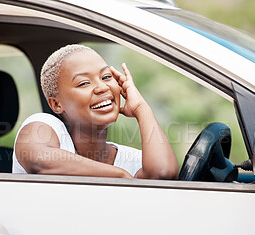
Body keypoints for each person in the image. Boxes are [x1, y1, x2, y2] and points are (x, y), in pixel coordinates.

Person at [13, 44, 179, 179]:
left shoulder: (132, 160)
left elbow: (162, 174)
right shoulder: (45, 126)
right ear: (56, 104)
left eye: (106, 77)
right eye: (84, 83)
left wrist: (141, 108)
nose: (102, 87)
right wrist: (119, 176)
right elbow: (39, 161)